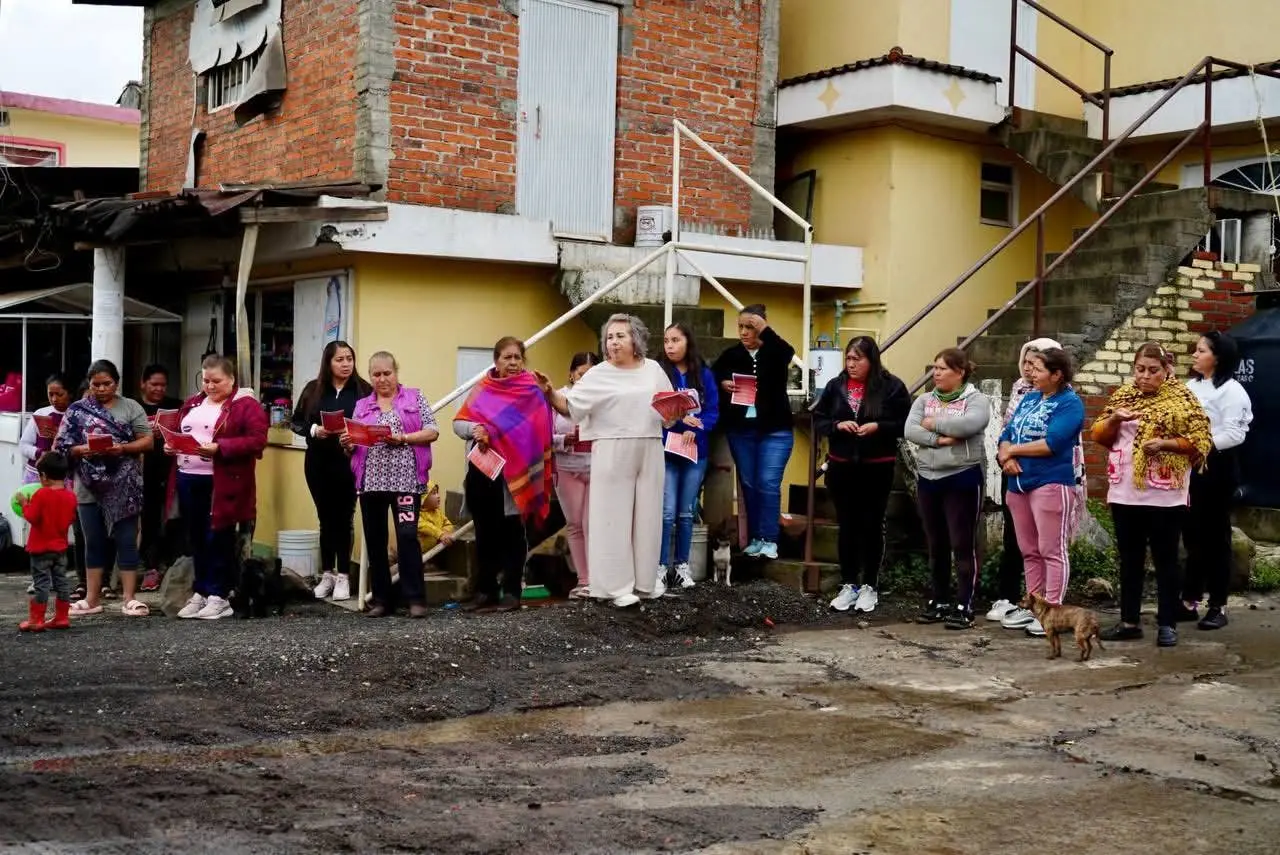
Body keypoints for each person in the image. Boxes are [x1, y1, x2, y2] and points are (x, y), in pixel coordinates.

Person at [540, 314, 674, 607]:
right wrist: (550, 392)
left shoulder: (653, 370)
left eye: (620, 336)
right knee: (614, 516)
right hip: (612, 447)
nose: (613, 342)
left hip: (650, 446)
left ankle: (645, 583)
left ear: (635, 339)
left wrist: (681, 411)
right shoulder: (598, 373)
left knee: (648, 515)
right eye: (610, 337)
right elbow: (571, 407)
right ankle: (615, 587)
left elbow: (667, 407)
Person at [1092, 343, 1212, 647]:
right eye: (1140, 369)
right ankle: (1129, 621)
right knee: (1130, 560)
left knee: (1166, 560)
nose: (1145, 376)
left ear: (1167, 370)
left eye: (1153, 370)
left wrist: (1165, 445)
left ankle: (1167, 623)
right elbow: (1100, 436)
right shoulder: (1123, 396)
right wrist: (1115, 420)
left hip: (1165, 495)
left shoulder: (1183, 399)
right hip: (1125, 491)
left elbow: (1199, 440)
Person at [991, 338, 1087, 631]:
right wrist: (1005, 456)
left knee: (1051, 549)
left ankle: (1054, 610)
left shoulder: (1069, 403)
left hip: (1051, 483)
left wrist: (1013, 451)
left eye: (1039, 369)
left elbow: (1053, 443)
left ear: (1056, 374)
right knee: (1029, 550)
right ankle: (1035, 606)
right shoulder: (1031, 398)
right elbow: (1007, 431)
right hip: (1019, 483)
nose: (1031, 373)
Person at [454, 337, 556, 612]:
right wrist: (475, 428)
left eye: (517, 358)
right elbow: (458, 422)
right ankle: (485, 592)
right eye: (507, 357)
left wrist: (510, 436)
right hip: (483, 471)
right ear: (496, 360)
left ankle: (511, 592)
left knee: (513, 533)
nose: (512, 363)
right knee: (485, 532)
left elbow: (540, 427)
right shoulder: (483, 389)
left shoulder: (532, 390)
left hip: (517, 472)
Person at [812, 336, 910, 615]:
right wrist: (836, 424)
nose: (851, 364)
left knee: (871, 524)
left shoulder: (892, 387)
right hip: (842, 466)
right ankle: (848, 583)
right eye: (849, 358)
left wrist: (878, 426)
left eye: (858, 359)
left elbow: (904, 423)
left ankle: (870, 584)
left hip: (876, 465)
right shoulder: (836, 386)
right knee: (847, 525)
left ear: (872, 360)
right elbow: (819, 418)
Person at [168, 355, 269, 620]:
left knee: (218, 536)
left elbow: (257, 441)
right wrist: (172, 444)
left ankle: (219, 594)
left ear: (231, 380)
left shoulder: (244, 405)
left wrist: (221, 447)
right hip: (188, 475)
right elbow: (180, 429)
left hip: (222, 479)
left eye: (217, 381)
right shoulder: (193, 402)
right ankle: (201, 590)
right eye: (206, 380)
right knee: (196, 537)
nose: (210, 386)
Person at [54, 359, 154, 617]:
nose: (101, 389)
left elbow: (147, 440)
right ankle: (91, 598)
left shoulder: (130, 407)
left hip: (124, 484)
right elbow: (62, 447)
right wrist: (83, 449)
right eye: (96, 384)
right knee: (93, 542)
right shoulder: (76, 411)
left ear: (116, 383)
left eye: (107, 384)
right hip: (88, 485)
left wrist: (122, 448)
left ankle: (130, 598)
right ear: (89, 384)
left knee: (126, 540)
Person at [344, 351, 439, 618]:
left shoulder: (415, 397)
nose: (382, 379)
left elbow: (433, 430)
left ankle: (416, 599)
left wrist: (405, 438)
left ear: (396, 372)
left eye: (387, 373)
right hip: (371, 482)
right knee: (375, 540)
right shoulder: (362, 405)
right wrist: (348, 444)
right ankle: (382, 601)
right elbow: (354, 445)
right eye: (376, 374)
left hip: (406, 481)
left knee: (408, 536)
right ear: (370, 376)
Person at [903, 348, 992, 629]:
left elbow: (970, 425)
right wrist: (939, 439)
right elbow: (910, 430)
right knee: (936, 543)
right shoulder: (925, 399)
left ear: (960, 372)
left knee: (962, 544)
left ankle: (964, 604)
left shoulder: (976, 400)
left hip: (962, 476)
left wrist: (934, 423)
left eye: (942, 368)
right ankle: (939, 600)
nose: (936, 373)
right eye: (935, 368)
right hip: (929, 478)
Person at [1180, 332, 1252, 630]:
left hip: (1217, 470)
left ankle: (1218, 605)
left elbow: (1235, 434)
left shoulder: (1233, 391)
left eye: (1200, 351)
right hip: (1189, 469)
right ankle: (1188, 600)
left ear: (1218, 357)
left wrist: (1198, 446)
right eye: (1194, 351)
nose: (1194, 356)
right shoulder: (1190, 386)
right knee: (1192, 536)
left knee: (1216, 538)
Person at [712, 304, 795, 560]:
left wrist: (765, 329)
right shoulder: (731, 355)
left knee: (768, 483)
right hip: (742, 430)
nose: (745, 332)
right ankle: (758, 537)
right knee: (749, 484)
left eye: (750, 327)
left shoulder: (774, 351)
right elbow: (712, 376)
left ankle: (770, 539)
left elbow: (787, 352)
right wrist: (723, 383)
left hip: (775, 430)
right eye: (741, 327)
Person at [291, 340, 372, 603]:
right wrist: (315, 430)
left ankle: (344, 577)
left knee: (344, 518)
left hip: (349, 462)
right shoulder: (313, 389)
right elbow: (297, 421)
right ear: (328, 362)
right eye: (340, 359)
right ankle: (327, 575)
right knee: (325, 519)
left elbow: (372, 425)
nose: (346, 364)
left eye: (349, 358)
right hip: (318, 463)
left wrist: (355, 435)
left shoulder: (363, 390)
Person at [659, 322, 719, 589]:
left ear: (688, 343)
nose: (670, 346)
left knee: (686, 512)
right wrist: (679, 421)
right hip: (667, 450)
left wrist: (700, 427)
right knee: (667, 512)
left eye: (675, 340)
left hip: (697, 452)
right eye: (666, 341)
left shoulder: (704, 375)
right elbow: (656, 408)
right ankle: (660, 567)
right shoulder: (659, 373)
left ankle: (682, 566)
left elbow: (714, 410)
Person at [552, 352, 600, 598]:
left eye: (592, 374)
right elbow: (543, 435)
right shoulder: (558, 398)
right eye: (581, 374)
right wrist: (563, 440)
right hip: (566, 468)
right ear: (571, 374)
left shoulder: (603, 399)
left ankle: (599, 580)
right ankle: (583, 580)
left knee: (593, 523)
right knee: (575, 524)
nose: (585, 379)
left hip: (597, 468)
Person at [16, 452, 79, 632]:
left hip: (40, 548)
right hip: (60, 548)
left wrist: (24, 504)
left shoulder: (42, 494)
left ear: (43, 476)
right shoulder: (70, 496)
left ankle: (37, 619)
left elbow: (32, 517)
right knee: (61, 582)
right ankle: (62, 617)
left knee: (41, 584)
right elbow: (71, 518)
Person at [137, 364, 184, 592]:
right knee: (148, 521)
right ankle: (150, 566)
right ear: (143, 384)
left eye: (163, 385)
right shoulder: (133, 407)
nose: (159, 389)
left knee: (173, 520)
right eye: (154, 384)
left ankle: (172, 564)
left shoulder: (175, 406)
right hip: (142, 472)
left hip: (171, 470)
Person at [416, 481, 456, 556]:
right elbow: (425, 526)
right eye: (434, 493)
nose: (438, 496)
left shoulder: (437, 512)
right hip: (420, 554)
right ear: (423, 498)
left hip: (434, 551)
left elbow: (448, 524)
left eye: (437, 492)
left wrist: (445, 532)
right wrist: (440, 534)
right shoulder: (417, 515)